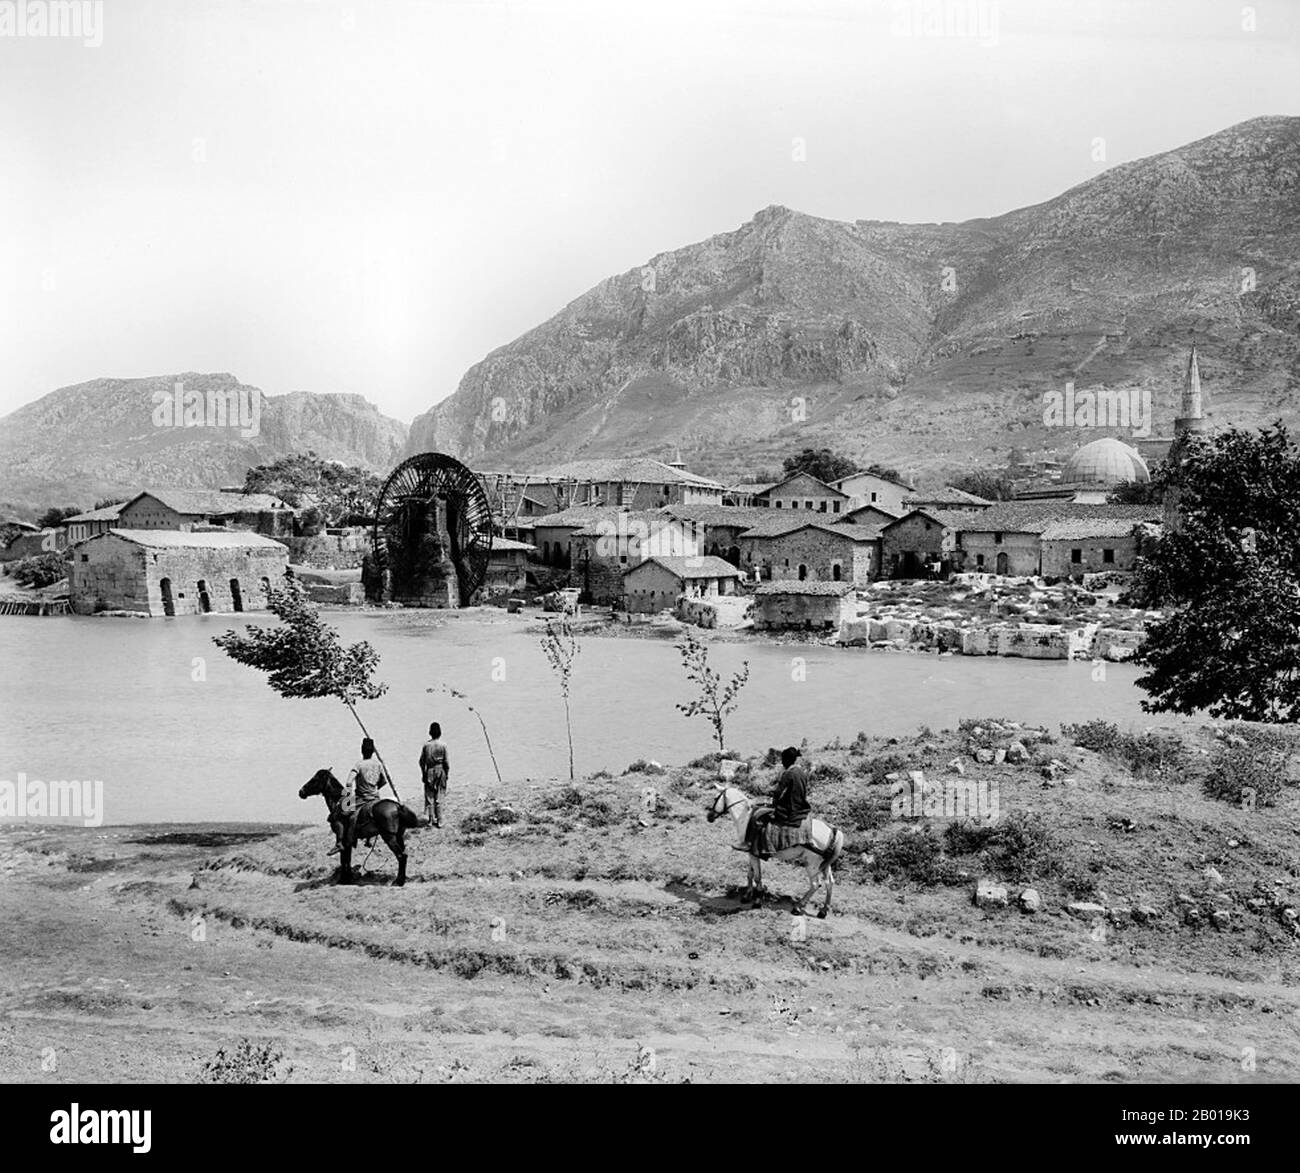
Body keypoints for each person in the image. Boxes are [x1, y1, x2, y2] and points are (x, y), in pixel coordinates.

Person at [331, 738, 393, 855]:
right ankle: (369, 839)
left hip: (362, 798)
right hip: (375, 797)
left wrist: (347, 797)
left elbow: (349, 782)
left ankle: (340, 843)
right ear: (373, 752)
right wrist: (373, 789)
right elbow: (384, 781)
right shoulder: (378, 764)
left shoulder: (359, 764)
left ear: (362, 750)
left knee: (340, 814)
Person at [746, 746, 810, 854]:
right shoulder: (801, 772)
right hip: (801, 807)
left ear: (787, 760)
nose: (782, 763)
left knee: (757, 815)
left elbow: (778, 793)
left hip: (789, 810)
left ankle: (760, 847)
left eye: (783, 760)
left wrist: (772, 803)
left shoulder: (788, 773)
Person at [419, 721, 450, 828]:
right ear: (440, 733)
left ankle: (431, 819)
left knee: (429, 796)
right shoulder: (443, 745)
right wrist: (446, 772)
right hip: (441, 770)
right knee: (440, 795)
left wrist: (423, 773)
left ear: (430, 733)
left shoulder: (426, 745)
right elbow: (446, 762)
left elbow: (421, 762)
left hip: (430, 771)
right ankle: (440, 820)